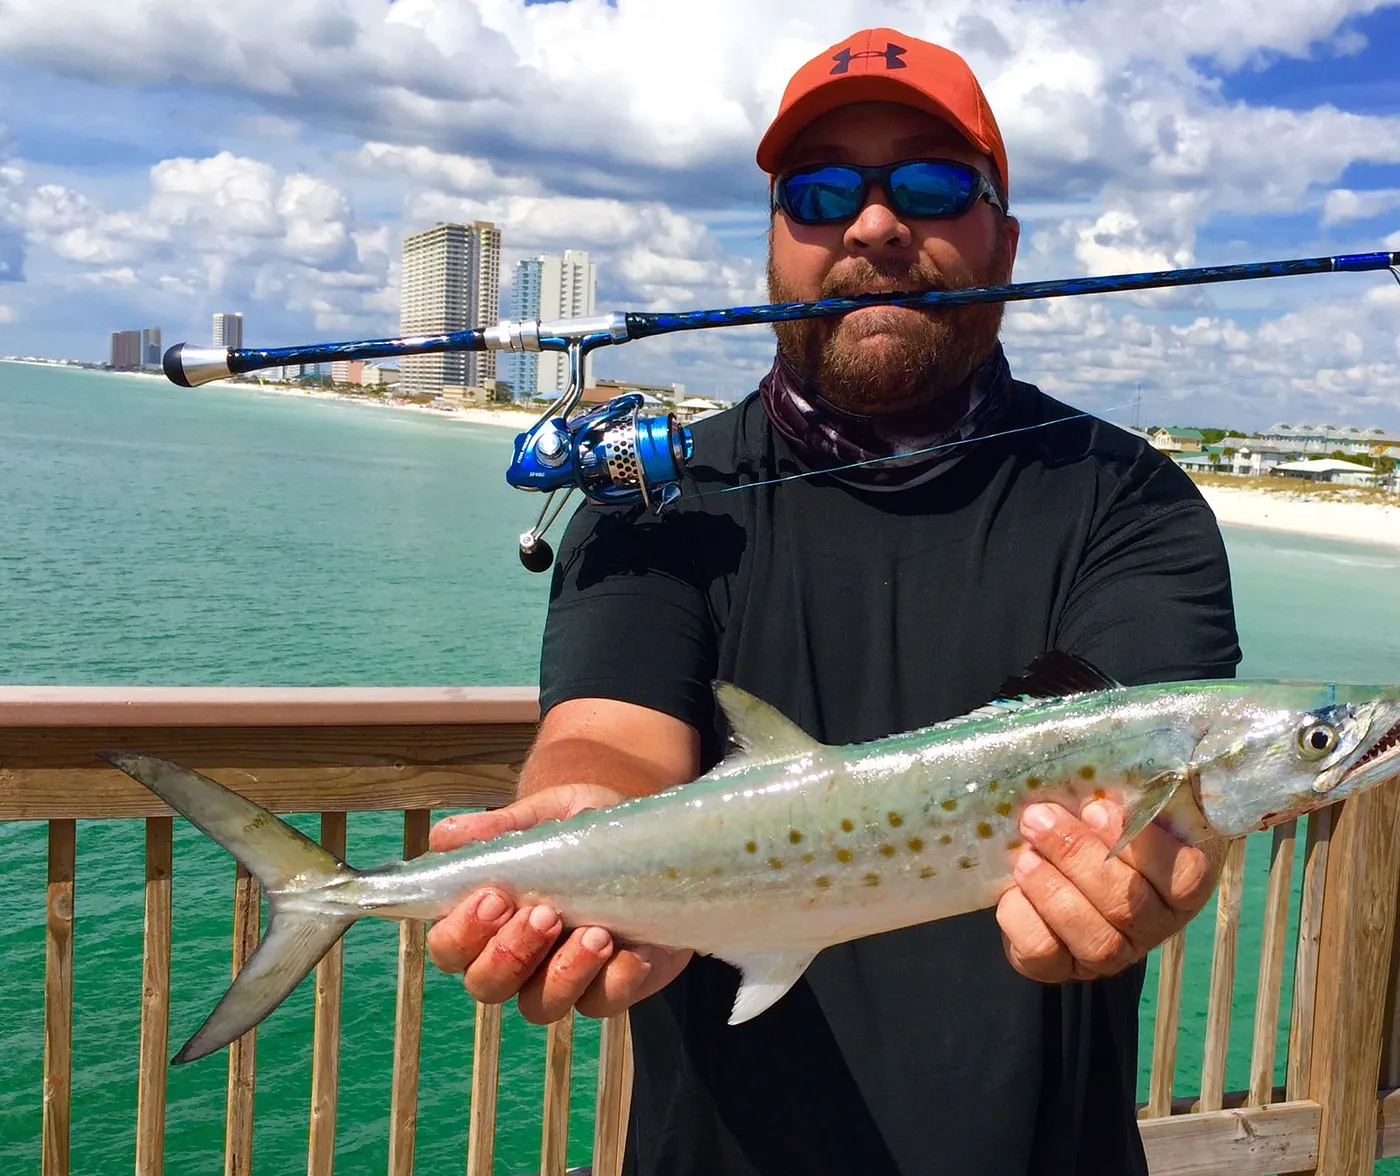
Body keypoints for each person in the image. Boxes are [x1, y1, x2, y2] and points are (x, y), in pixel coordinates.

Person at [426, 27, 1242, 1175]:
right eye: (818, 191)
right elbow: (607, 734)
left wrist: (1139, 874)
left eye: (931, 184)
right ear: (774, 240)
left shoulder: (1128, 503)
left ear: (1004, 237)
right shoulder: (659, 499)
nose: (874, 225)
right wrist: (581, 843)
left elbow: (1139, 762)